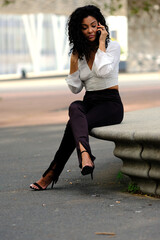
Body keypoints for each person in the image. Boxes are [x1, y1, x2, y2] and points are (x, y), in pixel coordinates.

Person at [30, 5, 124, 190]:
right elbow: (75, 88)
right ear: (78, 30)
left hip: (110, 104)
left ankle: (50, 174)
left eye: (93, 25)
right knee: (75, 106)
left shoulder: (112, 47)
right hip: (89, 102)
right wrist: (73, 62)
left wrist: (102, 43)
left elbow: (103, 71)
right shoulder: (78, 53)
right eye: (84, 27)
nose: (89, 30)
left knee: (74, 124)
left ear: (100, 26)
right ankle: (85, 155)